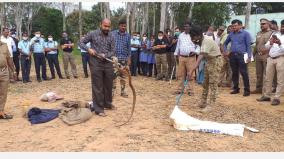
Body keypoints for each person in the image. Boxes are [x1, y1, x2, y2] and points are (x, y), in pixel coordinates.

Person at [79, 18, 115, 117]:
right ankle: (99, 109)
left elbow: (113, 50)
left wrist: (106, 55)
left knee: (108, 84)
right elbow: (80, 43)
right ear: (101, 24)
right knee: (97, 85)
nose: (107, 28)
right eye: (105, 26)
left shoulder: (112, 36)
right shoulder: (92, 33)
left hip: (107, 62)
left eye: (108, 26)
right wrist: (88, 49)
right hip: (95, 62)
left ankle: (107, 103)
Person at [189, 25, 222, 112]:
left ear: (198, 35)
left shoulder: (206, 41)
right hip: (209, 61)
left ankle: (211, 105)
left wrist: (192, 69)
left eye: (193, 36)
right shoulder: (202, 40)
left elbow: (201, 55)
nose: (192, 38)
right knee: (205, 83)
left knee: (213, 84)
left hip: (215, 61)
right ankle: (203, 102)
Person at [257, 20, 284, 106]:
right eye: (282, 26)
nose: (283, 28)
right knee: (268, 78)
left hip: (281, 58)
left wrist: (280, 43)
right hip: (271, 58)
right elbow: (267, 46)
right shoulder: (275, 34)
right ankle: (267, 95)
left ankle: (277, 98)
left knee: (280, 79)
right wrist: (271, 43)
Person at [223, 19, 252, 96]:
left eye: (235, 25)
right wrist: (226, 51)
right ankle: (236, 89)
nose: (234, 27)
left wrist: (249, 56)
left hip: (243, 56)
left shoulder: (246, 34)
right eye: (233, 26)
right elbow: (225, 44)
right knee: (234, 73)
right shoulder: (231, 34)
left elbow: (249, 46)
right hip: (232, 56)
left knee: (244, 73)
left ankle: (247, 90)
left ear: (240, 25)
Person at [174, 20, 197, 95]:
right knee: (181, 74)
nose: (185, 27)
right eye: (184, 26)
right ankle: (180, 89)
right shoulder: (181, 35)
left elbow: (199, 45)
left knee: (190, 74)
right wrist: (176, 53)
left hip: (191, 58)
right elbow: (178, 45)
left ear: (190, 27)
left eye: (187, 26)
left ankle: (190, 90)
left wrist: (196, 51)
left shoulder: (194, 35)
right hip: (181, 57)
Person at [251, 18, 273, 94]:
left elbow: (272, 45)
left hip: (266, 56)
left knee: (267, 74)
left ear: (268, 24)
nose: (262, 25)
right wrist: (252, 55)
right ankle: (259, 88)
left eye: (264, 24)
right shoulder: (258, 33)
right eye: (261, 24)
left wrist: (268, 53)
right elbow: (256, 45)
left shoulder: (271, 33)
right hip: (258, 56)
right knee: (259, 73)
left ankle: (267, 90)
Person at [112, 19, 131, 97]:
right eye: (122, 26)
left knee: (123, 77)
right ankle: (112, 92)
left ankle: (123, 92)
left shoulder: (128, 36)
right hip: (114, 58)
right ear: (119, 26)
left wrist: (129, 59)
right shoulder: (113, 34)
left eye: (125, 26)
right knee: (113, 76)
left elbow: (129, 48)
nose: (123, 27)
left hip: (123, 59)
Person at [0, 41, 16, 119]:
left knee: (3, 93)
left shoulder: (4, 45)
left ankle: (1, 112)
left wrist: (14, 71)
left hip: (4, 72)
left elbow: (9, 59)